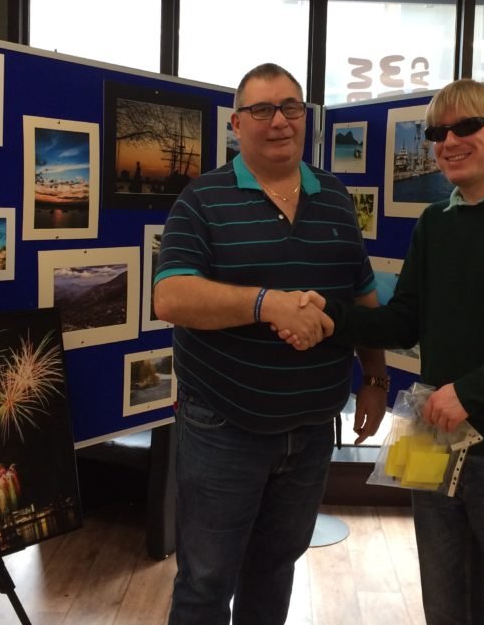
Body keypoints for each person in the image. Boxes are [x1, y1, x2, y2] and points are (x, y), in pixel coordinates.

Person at [290, 79, 484, 625]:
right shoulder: (435, 224)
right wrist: (329, 315)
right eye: (437, 132)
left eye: (465, 127)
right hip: (434, 439)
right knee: (446, 607)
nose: (449, 142)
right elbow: (401, 320)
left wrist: (472, 393)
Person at [152, 62, 387, 625]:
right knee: (207, 579)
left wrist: (376, 379)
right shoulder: (201, 199)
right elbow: (171, 297)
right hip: (224, 428)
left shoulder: (333, 196)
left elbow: (361, 295)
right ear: (236, 123)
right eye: (262, 110)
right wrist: (267, 303)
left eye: (291, 108)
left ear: (305, 117)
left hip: (310, 428)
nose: (278, 121)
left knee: (277, 566)